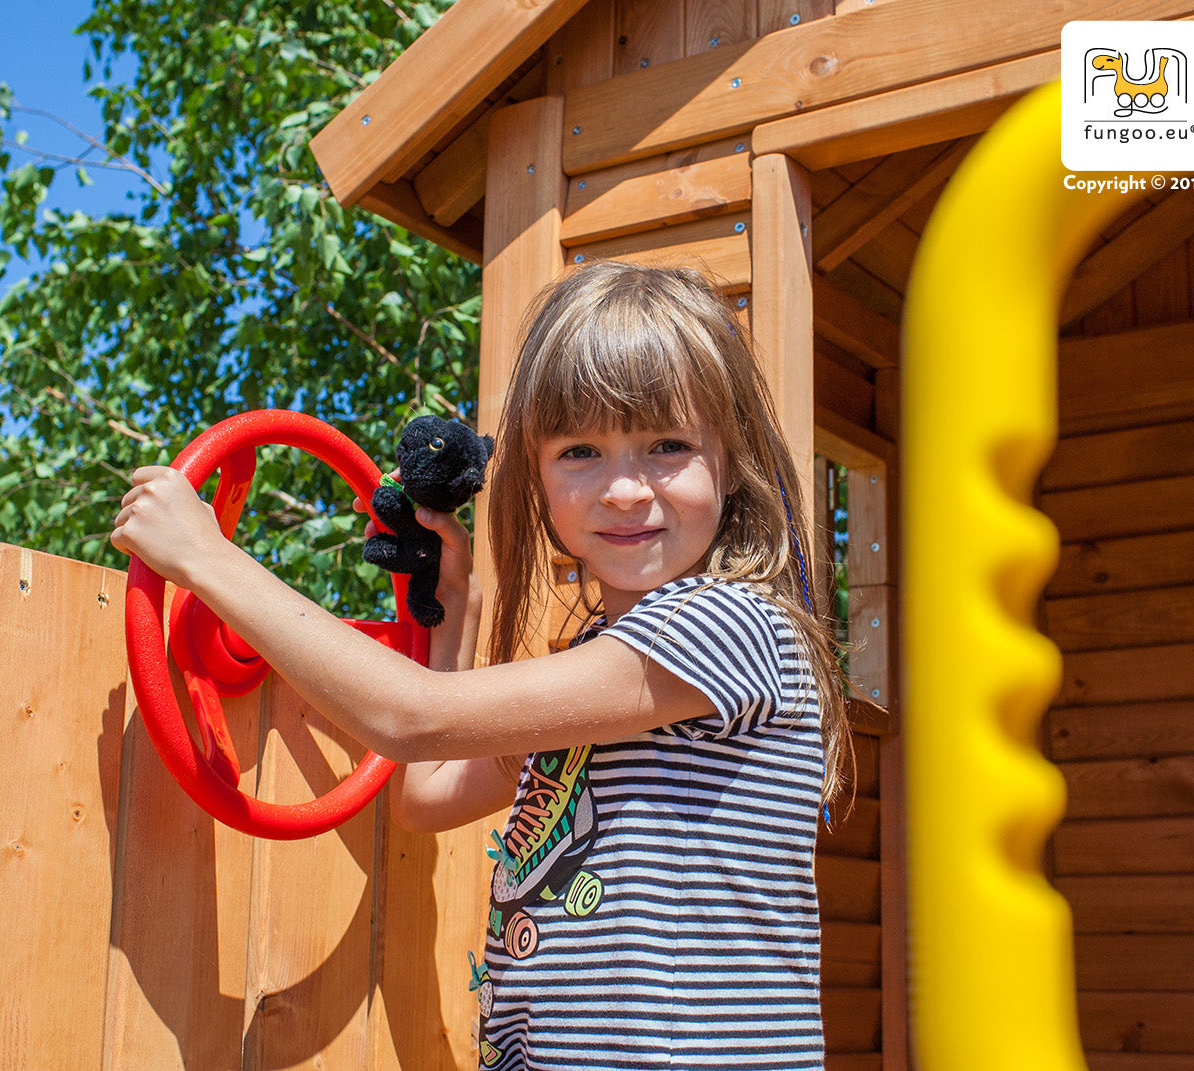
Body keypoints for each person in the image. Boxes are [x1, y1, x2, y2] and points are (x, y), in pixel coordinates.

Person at [111, 260, 853, 1071]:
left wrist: (208, 561)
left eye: (667, 445)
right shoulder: (594, 681)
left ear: (730, 454)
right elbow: (425, 793)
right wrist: (452, 603)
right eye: (581, 451)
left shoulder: (728, 625)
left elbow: (410, 715)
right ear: (536, 474)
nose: (624, 489)